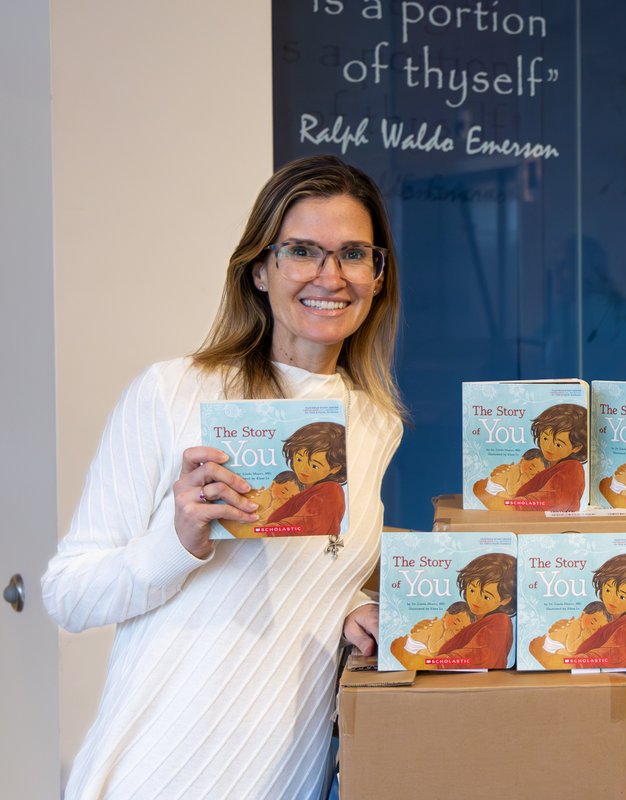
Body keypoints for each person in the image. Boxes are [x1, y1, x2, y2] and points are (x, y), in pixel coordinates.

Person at [42, 155, 406, 800]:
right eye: (302, 251)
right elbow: (68, 595)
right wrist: (177, 539)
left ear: (378, 275)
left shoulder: (375, 424)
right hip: (155, 776)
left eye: (354, 253)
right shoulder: (173, 392)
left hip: (284, 781)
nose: (331, 276)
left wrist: (355, 612)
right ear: (260, 269)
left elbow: (308, 577)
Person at [391, 552, 518, 670]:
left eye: (486, 596)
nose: (475, 600)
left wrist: (405, 655)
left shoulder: (499, 622)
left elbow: (466, 660)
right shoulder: (472, 620)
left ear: (505, 600)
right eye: (472, 590)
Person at [529, 553, 626, 669]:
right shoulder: (608, 618)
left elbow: (600, 660)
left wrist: (544, 654)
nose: (610, 599)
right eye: (608, 589)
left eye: (621, 596)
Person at [477, 403, 589, 511]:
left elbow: (530, 507)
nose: (548, 447)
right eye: (545, 438)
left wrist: (482, 493)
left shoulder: (571, 469)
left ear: (577, 447)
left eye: (558, 444)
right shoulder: (548, 466)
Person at [216, 469, 301, 539]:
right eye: (284, 491)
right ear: (272, 485)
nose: (285, 497)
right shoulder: (261, 495)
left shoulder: (281, 508)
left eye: (291, 497)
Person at [471, 447, 549, 504]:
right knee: (507, 498)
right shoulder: (515, 470)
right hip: (494, 487)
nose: (532, 473)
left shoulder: (524, 474)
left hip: (502, 488)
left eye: (537, 473)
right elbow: (511, 491)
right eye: (531, 467)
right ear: (522, 461)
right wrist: (522, 482)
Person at [538, 601, 613, 656]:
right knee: (570, 656)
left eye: (599, 628)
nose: (594, 628)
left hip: (566, 645)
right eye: (592, 622)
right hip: (553, 644)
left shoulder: (585, 629)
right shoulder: (576, 625)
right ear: (582, 615)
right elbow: (570, 648)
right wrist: (583, 638)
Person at [401, 601, 475, 656]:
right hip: (414, 645)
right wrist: (445, 639)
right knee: (432, 657)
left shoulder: (446, 630)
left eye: (462, 628)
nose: (457, 628)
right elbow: (432, 649)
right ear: (445, 615)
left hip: (421, 646)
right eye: (456, 621)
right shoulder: (439, 625)